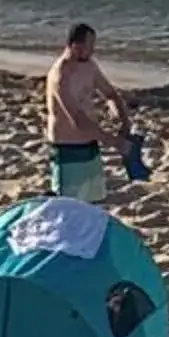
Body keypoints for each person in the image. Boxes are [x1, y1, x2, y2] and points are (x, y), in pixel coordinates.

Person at [45, 23, 128, 204]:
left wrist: (122, 120)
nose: (92, 51)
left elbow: (110, 94)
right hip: (67, 147)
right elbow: (77, 119)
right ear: (75, 45)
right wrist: (112, 141)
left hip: (90, 144)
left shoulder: (89, 66)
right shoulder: (61, 75)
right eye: (89, 46)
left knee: (93, 200)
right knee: (67, 203)